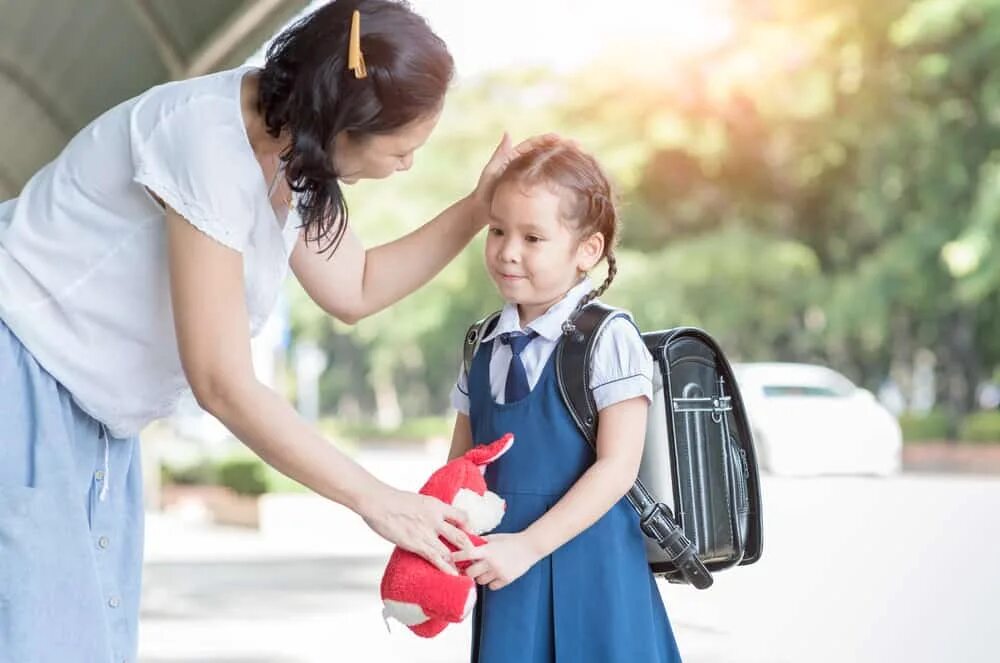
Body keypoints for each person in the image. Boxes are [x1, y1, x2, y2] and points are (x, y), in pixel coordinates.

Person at [0, 1, 547, 661]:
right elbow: (221, 381)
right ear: (348, 120)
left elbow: (358, 284)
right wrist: (378, 500)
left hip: (92, 409)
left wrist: (476, 209)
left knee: (84, 642)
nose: (406, 165)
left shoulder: (293, 160)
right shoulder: (205, 139)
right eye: (402, 149)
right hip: (23, 367)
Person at [448, 141, 683, 662]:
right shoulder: (481, 345)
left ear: (587, 250)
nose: (508, 250)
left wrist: (528, 547)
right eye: (497, 230)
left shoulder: (608, 337)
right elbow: (461, 473)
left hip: (592, 574)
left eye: (533, 237)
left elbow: (618, 467)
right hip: (507, 575)